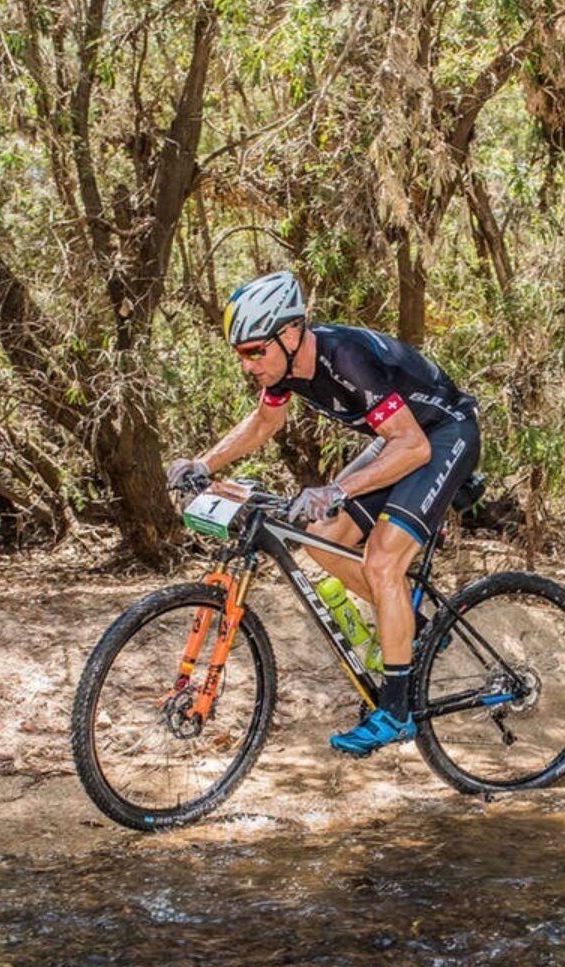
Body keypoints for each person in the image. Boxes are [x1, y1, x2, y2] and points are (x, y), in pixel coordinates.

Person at [165, 271, 480, 756]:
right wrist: (204, 463)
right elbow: (265, 421)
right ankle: (412, 629)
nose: (249, 365)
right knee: (321, 537)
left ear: (289, 334)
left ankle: (396, 714)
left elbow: (414, 447)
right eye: (241, 355)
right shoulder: (286, 367)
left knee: (382, 562)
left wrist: (335, 487)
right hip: (399, 439)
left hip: (442, 435)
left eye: (255, 351)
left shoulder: (345, 359)